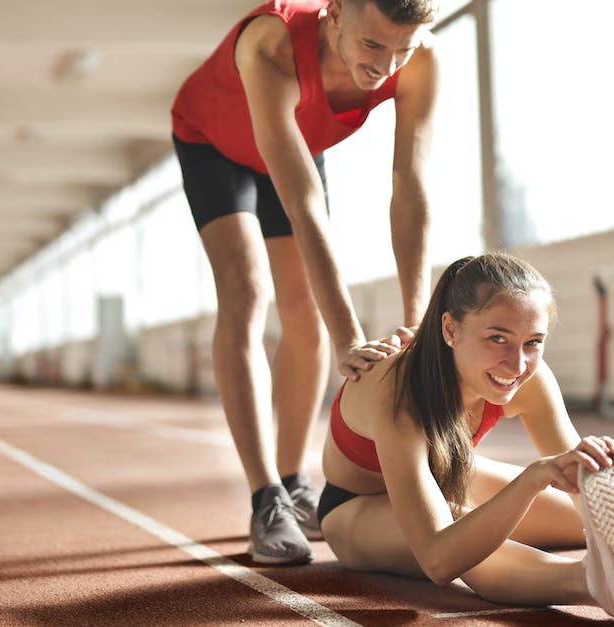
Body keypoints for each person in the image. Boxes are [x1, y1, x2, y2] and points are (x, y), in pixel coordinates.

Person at [170, 0, 439, 565]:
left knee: (305, 311)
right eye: (373, 46)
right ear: (335, 12)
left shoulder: (418, 61)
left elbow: (410, 186)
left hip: (295, 142)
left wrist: (417, 324)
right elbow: (303, 206)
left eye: (402, 50)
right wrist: (351, 341)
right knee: (246, 292)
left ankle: (295, 482)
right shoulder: (269, 45)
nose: (386, 67)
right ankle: (264, 496)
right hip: (213, 142)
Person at [318, 253, 614, 626]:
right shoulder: (400, 393)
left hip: (447, 473)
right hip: (355, 506)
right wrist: (531, 480)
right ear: (451, 330)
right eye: (497, 338)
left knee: (581, 518)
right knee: (459, 534)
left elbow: (576, 482)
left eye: (533, 342)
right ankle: (590, 582)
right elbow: (438, 560)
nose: (517, 365)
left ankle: (610, 565)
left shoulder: (528, 378)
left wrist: (592, 466)